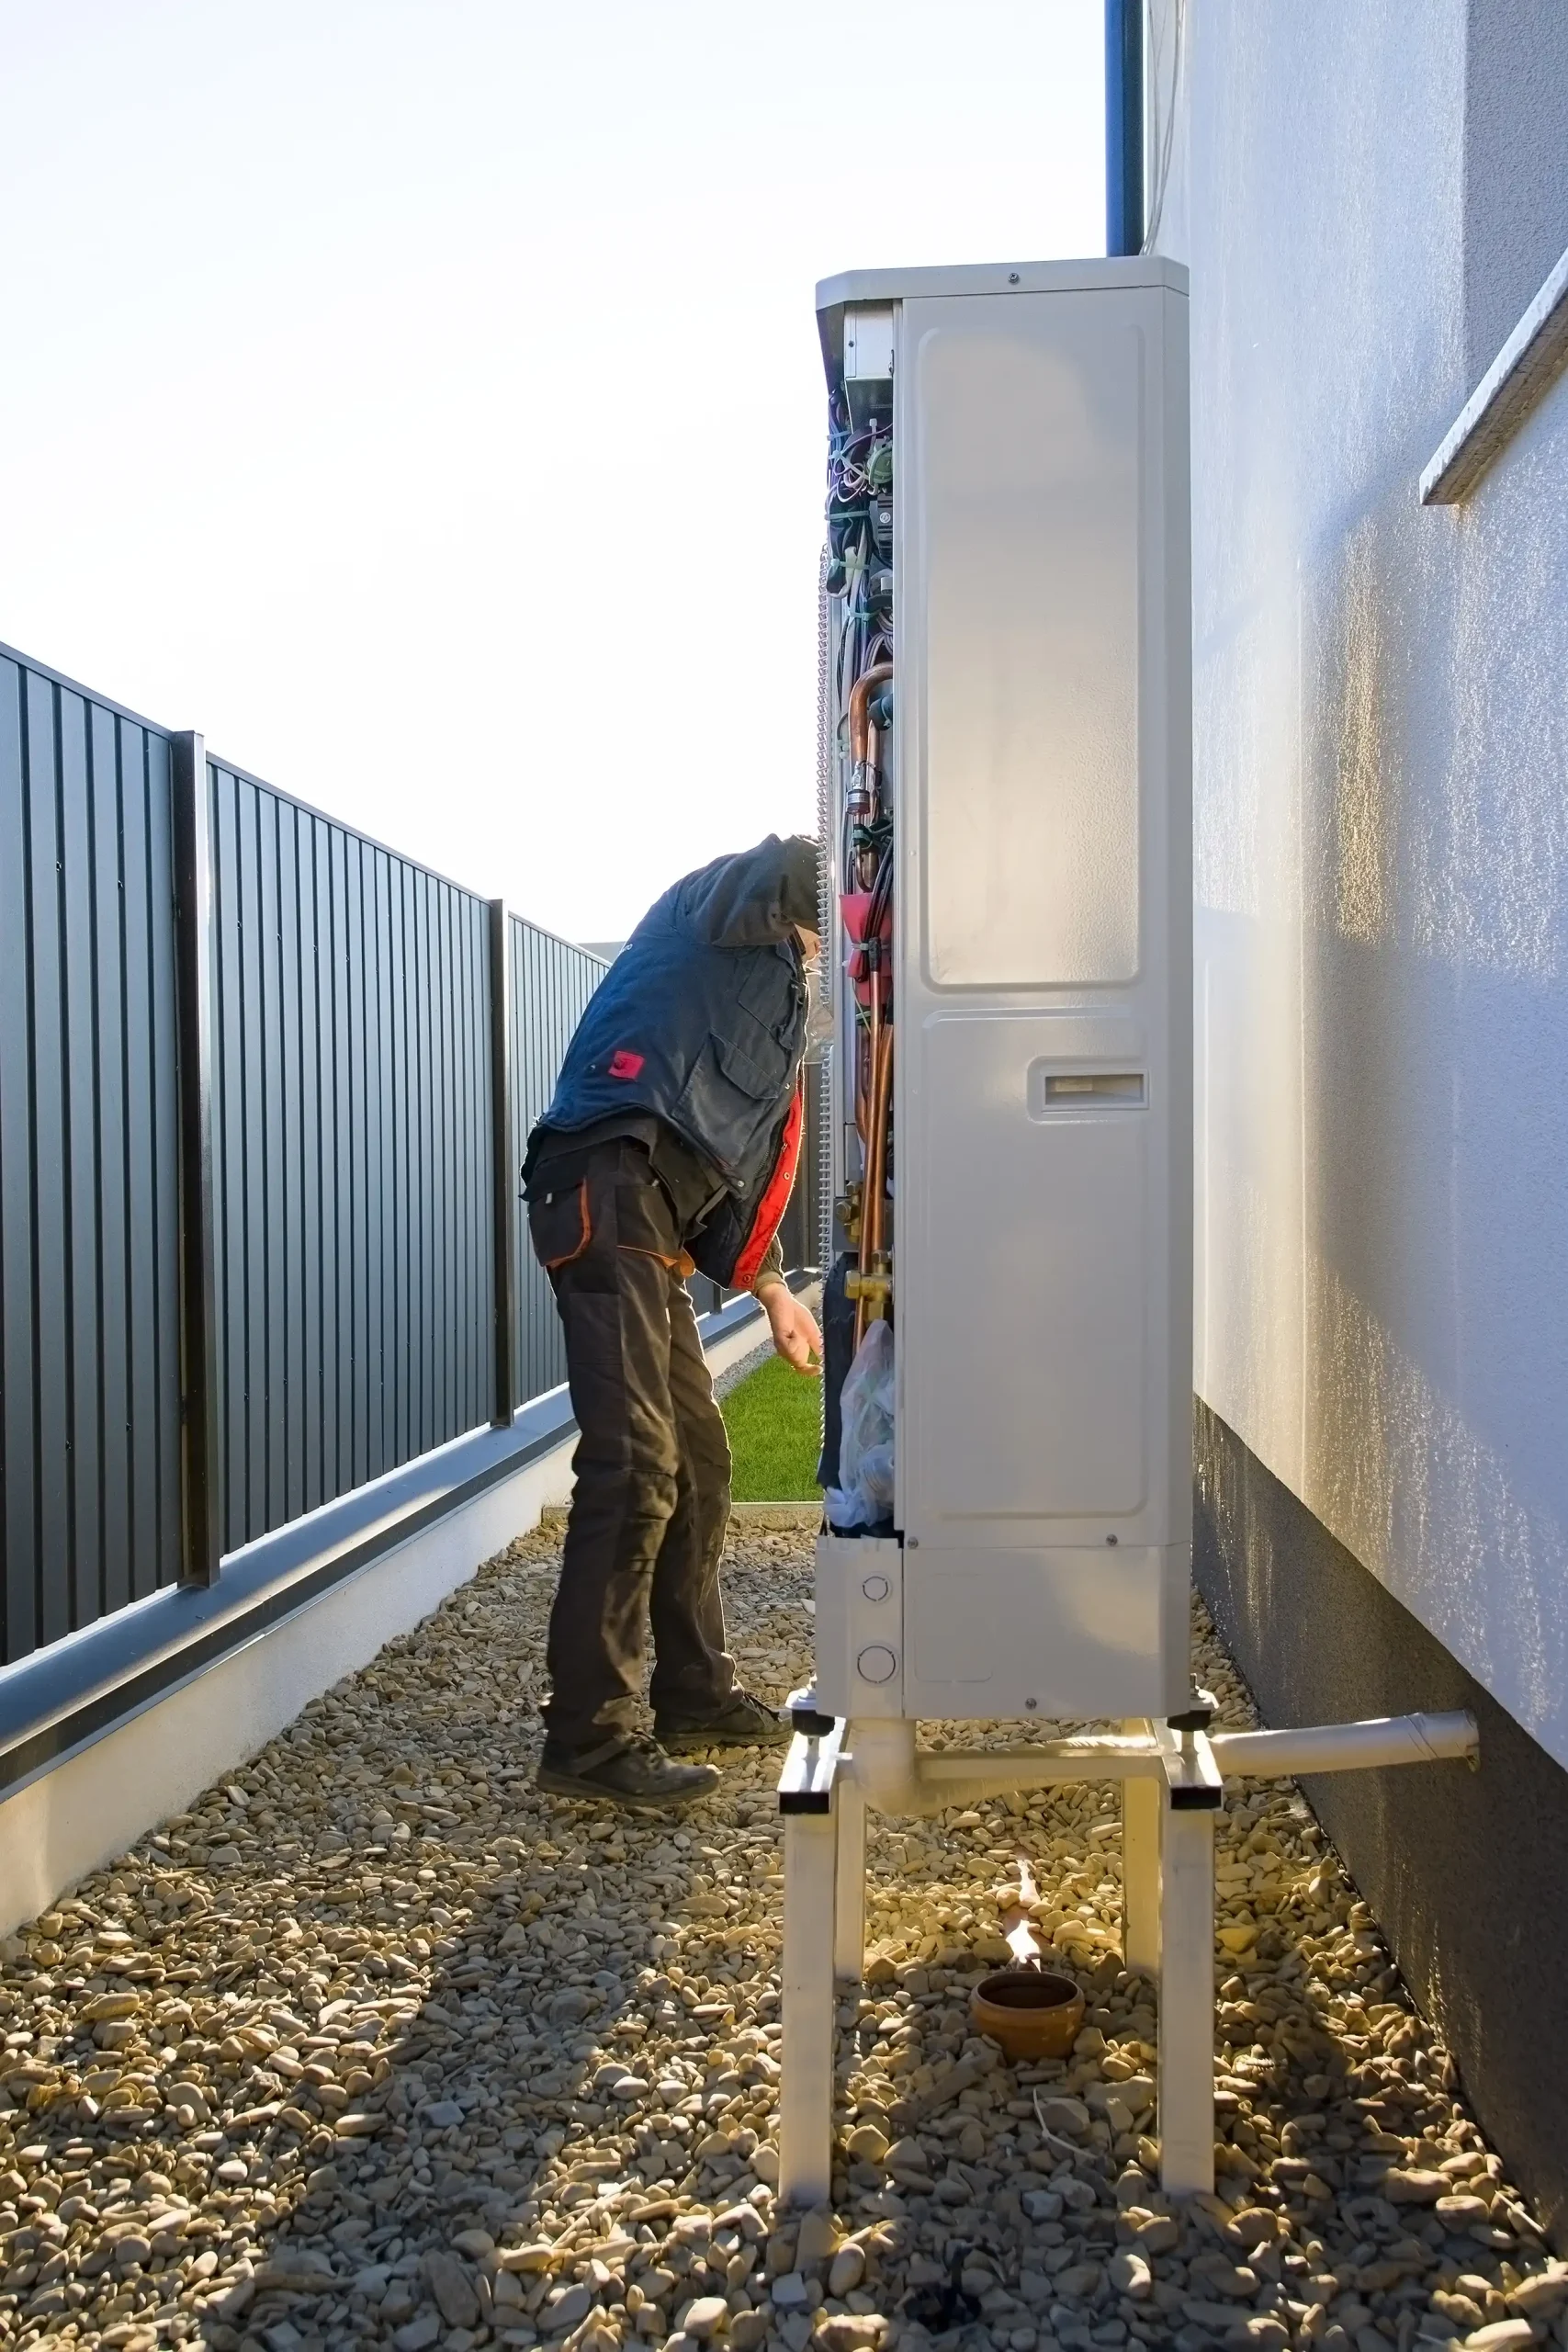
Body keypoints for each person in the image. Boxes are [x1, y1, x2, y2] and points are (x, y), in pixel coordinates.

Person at [523, 834, 825, 1811]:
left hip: (658, 1215)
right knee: (634, 1462)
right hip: (605, 1177)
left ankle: (693, 1693)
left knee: (697, 1463)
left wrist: (775, 1293)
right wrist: (867, 864)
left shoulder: (788, 1022)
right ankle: (589, 1740)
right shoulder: (721, 909)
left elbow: (745, 1176)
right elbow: (789, 868)